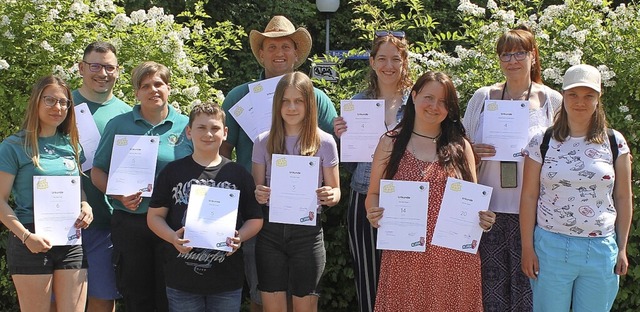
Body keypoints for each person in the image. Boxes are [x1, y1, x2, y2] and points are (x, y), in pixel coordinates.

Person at [221, 15, 338, 311]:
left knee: (302, 296)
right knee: (262, 296)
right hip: (258, 215)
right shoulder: (239, 96)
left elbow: (333, 154)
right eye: (271, 47)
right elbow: (221, 155)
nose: (279, 53)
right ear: (261, 53)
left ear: (296, 53)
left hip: (305, 222)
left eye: (285, 46)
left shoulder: (318, 98)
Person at [366, 71, 495, 311]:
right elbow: (373, 194)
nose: (435, 106)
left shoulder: (460, 147)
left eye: (444, 102)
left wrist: (484, 219)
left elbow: (475, 203)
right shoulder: (389, 143)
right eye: (429, 97)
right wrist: (373, 212)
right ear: (413, 96)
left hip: (454, 261)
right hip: (406, 259)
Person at [462, 25, 562, 312]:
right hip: (487, 211)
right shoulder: (483, 97)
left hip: (534, 212)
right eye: (505, 54)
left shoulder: (550, 100)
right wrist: (472, 150)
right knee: (490, 295)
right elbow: (458, 145)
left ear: (533, 56)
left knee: (528, 291)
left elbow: (563, 150)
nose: (512, 60)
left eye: (519, 53)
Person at [519, 64, 632, 311]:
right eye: (573, 95)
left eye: (588, 96)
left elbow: (623, 197)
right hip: (551, 246)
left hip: (601, 249)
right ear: (564, 96)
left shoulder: (615, 142)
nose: (580, 102)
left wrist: (622, 247)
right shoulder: (542, 141)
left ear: (598, 99)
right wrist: (527, 247)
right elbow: (528, 197)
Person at [91, 61, 193, 312]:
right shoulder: (119, 124)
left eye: (158, 84)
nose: (153, 90)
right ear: (136, 92)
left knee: (172, 296)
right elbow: (97, 171)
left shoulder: (186, 126)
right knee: (137, 296)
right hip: (131, 222)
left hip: (174, 224)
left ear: (169, 88)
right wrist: (118, 195)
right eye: (145, 85)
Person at [147, 102, 263, 312]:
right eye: (201, 128)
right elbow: (154, 217)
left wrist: (240, 237)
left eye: (215, 128)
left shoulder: (238, 174)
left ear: (225, 133)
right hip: (181, 279)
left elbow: (255, 218)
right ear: (189, 132)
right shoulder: (172, 172)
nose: (208, 134)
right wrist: (172, 237)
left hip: (226, 279)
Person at [332, 30, 412, 312]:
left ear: (404, 62)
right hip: (364, 194)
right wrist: (343, 138)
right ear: (371, 62)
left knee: (406, 277)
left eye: (395, 59)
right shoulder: (357, 101)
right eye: (382, 59)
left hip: (409, 198)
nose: (388, 66)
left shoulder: (416, 102)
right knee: (368, 275)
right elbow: (350, 163)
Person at [0, 75, 93, 312]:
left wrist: (85, 206)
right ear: (36, 102)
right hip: (30, 238)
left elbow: (77, 190)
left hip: (70, 238)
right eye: (50, 100)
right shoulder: (13, 146)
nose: (58, 107)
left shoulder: (72, 145)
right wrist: (25, 236)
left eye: (63, 102)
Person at [252, 71, 340, 312]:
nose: (291, 107)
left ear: (309, 104)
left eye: (298, 101)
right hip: (270, 232)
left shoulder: (325, 142)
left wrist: (330, 196)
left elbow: (336, 191)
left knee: (306, 305)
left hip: (308, 234)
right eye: (285, 101)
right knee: (273, 306)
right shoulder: (262, 141)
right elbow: (256, 191)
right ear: (277, 103)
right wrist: (259, 193)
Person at [73, 41, 132, 312]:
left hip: (108, 221)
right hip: (63, 220)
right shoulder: (61, 104)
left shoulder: (127, 113)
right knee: (58, 299)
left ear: (118, 71)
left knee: (103, 299)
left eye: (109, 67)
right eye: (95, 66)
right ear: (81, 68)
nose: (102, 73)